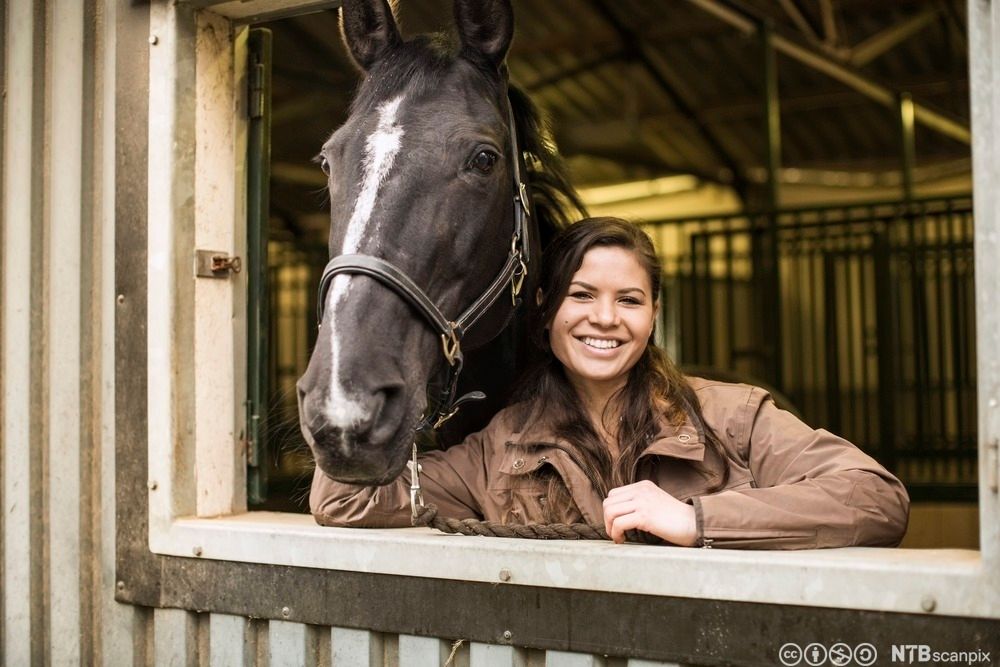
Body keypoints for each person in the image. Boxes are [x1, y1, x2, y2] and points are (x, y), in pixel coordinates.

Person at [311, 217, 909, 548]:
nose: (605, 318)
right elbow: (346, 500)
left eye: (630, 299)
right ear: (545, 311)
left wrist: (699, 520)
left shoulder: (733, 417)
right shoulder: (499, 447)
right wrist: (366, 347)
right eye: (582, 295)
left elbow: (876, 498)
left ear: (653, 315)